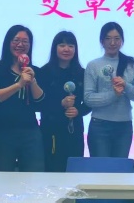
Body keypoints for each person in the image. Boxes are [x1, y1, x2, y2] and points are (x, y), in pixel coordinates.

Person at [0, 25, 45, 171]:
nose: (20, 44)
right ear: (8, 43)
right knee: (2, 176)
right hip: (2, 131)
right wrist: (19, 84)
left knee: (34, 176)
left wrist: (32, 81)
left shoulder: (35, 71)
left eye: (25, 41)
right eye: (16, 40)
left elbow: (40, 103)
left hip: (30, 131)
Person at [83, 21, 134, 158]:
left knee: (119, 169)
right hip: (99, 125)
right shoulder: (93, 65)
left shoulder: (131, 63)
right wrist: (113, 94)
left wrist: (125, 85)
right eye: (108, 38)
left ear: (122, 41)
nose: (112, 43)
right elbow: (88, 98)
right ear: (101, 41)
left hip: (124, 126)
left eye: (117, 38)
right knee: (100, 168)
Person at [39, 30, 91, 172]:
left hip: (74, 131)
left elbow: (89, 101)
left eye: (71, 46)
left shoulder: (82, 73)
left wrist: (79, 111)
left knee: (74, 172)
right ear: (55, 48)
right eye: (62, 45)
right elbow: (39, 103)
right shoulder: (44, 72)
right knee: (52, 172)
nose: (66, 49)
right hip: (51, 131)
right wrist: (60, 104)